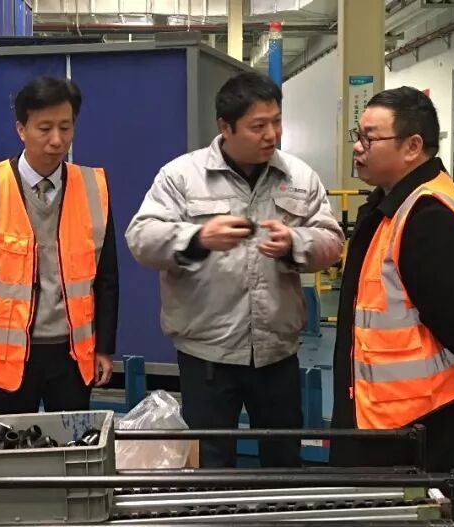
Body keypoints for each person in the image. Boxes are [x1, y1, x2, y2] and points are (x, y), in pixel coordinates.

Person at [125, 71, 343, 468]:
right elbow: (141, 238)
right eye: (258, 126)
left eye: (277, 121)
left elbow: (331, 240)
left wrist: (296, 243)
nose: (272, 135)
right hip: (207, 354)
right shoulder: (182, 177)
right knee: (210, 464)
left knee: (283, 461)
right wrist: (197, 238)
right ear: (225, 127)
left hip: (277, 352)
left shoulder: (299, 177)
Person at [327, 86, 454, 527]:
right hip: (391, 415)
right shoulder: (392, 203)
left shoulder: (426, 213)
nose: (358, 148)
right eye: (357, 136)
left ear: (412, 147)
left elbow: (452, 313)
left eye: (369, 138)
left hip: (427, 421)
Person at [0, 76, 117, 415]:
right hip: (9, 355)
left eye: (65, 128)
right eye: (44, 128)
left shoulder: (92, 186)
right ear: (21, 129)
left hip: (73, 354)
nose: (57, 140)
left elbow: (107, 277)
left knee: (74, 442)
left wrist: (104, 347)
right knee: (13, 444)